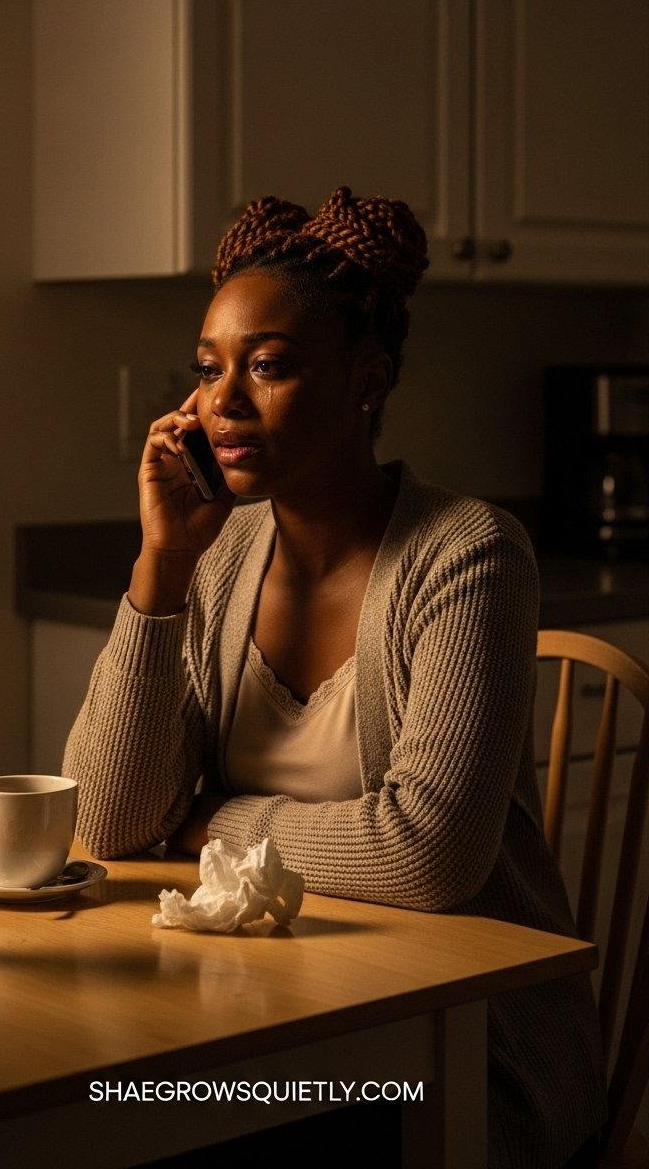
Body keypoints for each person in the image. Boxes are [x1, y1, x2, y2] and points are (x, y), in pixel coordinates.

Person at [63, 186, 606, 1169]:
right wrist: (161, 570)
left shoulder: (467, 552)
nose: (221, 400)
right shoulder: (222, 561)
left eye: (268, 366)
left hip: (467, 1050)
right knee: (93, 1106)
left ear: (368, 378)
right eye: (207, 368)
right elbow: (106, 817)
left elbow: (426, 855)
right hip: (273, 1016)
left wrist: (209, 820)